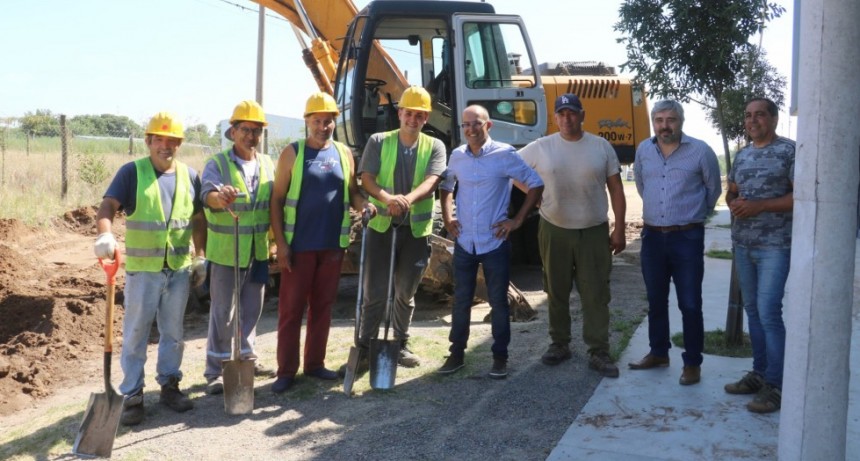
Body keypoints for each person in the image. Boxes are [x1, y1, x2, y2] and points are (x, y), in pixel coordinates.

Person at [94, 112, 207, 426]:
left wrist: (200, 256)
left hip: (179, 269)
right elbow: (107, 208)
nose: (166, 146)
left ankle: (170, 385)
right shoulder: (132, 173)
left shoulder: (190, 176)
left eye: (172, 141)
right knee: (136, 333)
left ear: (179, 145)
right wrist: (105, 233)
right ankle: (132, 394)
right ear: (149, 141)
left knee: (173, 333)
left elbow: (198, 220)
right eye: (160, 139)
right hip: (144, 270)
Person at [269, 92, 376, 393]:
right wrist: (281, 243)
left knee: (323, 307)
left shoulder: (343, 153)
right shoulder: (293, 153)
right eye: (317, 121)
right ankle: (286, 371)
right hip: (299, 246)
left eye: (328, 121)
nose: (323, 126)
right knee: (291, 310)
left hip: (332, 245)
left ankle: (314, 364)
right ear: (307, 122)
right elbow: (276, 200)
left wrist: (364, 204)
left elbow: (353, 192)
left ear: (334, 122)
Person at [519, 93, 627, 378]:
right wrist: (536, 199)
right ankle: (559, 344)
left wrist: (619, 228)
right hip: (554, 229)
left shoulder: (600, 146)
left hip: (593, 230)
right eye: (562, 113)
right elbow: (512, 171)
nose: (567, 118)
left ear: (583, 115)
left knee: (596, 293)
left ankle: (599, 350)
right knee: (556, 290)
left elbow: (616, 188)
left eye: (572, 113)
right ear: (555, 118)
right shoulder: (541, 147)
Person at [437, 105, 543, 378]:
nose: (471, 129)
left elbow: (535, 183)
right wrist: (448, 218)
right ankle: (456, 355)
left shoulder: (504, 154)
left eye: (476, 123)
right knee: (461, 300)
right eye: (466, 125)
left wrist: (517, 220)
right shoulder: (457, 155)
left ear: (489, 125)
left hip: (494, 243)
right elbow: (446, 187)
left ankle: (499, 358)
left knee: (498, 301)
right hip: (465, 242)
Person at [349, 86, 447, 373]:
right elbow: (366, 179)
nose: (412, 119)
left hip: (415, 231)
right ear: (399, 112)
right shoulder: (379, 141)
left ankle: (400, 342)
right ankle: (366, 346)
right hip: (381, 227)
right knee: (375, 292)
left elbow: (432, 181)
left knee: (405, 291)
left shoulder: (435, 146)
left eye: (419, 115)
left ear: (426, 118)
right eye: (408, 113)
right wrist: (388, 199)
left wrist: (406, 201)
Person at [628, 99, 721, 386]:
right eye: (659, 120)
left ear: (680, 122)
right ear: (653, 122)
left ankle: (692, 363)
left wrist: (690, 217)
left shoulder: (701, 152)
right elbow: (642, 185)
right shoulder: (644, 149)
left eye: (671, 120)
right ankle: (659, 352)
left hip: (687, 237)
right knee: (656, 300)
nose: (664, 126)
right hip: (653, 236)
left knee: (690, 303)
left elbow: (713, 190)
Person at [724, 97, 794, 413]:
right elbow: (733, 191)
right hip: (743, 244)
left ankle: (777, 386)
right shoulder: (742, 155)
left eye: (760, 115)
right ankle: (760, 373)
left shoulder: (789, 151)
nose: (753, 120)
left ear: (774, 118)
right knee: (752, 310)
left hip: (775, 246)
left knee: (768, 312)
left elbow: (801, 195)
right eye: (748, 115)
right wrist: (733, 201)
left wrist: (760, 206)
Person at [201, 100, 276, 395]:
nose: (251, 136)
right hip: (225, 251)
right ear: (232, 132)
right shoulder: (218, 164)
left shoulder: (268, 163)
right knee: (223, 312)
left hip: (257, 250)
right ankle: (216, 368)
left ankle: (245, 357)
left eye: (256, 130)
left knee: (252, 309)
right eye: (245, 129)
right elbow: (207, 193)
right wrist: (221, 197)